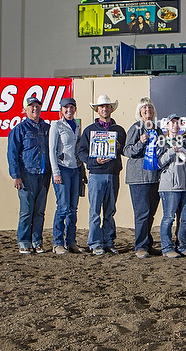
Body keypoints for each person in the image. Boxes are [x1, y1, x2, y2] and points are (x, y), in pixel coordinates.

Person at [77, 95, 126, 256]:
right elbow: (81, 152)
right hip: (96, 174)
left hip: (113, 173)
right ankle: (95, 242)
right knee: (95, 211)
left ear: (111, 109)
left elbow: (125, 150)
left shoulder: (119, 130)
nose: (104, 109)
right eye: (102, 107)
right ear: (97, 110)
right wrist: (94, 161)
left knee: (110, 210)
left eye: (107, 106)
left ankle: (108, 241)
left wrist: (119, 147)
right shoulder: (89, 130)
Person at [7, 96, 51, 254]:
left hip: (44, 174)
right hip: (27, 174)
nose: (35, 109)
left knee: (39, 211)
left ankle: (37, 241)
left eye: (37, 106)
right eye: (31, 106)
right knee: (27, 210)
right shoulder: (19, 129)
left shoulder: (47, 128)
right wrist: (16, 175)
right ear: (25, 109)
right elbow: (12, 154)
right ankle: (24, 241)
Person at [123, 97, 163, 259]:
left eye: (150, 108)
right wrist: (140, 142)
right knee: (142, 213)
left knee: (151, 213)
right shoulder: (135, 128)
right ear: (139, 112)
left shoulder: (157, 129)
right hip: (138, 178)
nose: (148, 110)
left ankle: (147, 243)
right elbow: (127, 151)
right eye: (144, 108)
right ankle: (140, 246)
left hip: (154, 177)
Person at [157, 114, 186, 258]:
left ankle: (182, 246)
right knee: (169, 218)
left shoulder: (185, 142)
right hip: (169, 186)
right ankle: (167, 248)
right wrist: (171, 151)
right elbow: (159, 163)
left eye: (177, 123)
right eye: (172, 123)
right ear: (167, 125)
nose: (175, 125)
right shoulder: (161, 142)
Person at [49, 97, 85, 254]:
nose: (69, 110)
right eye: (66, 107)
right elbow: (52, 150)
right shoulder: (56, 125)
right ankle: (57, 243)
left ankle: (71, 241)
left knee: (73, 208)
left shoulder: (77, 125)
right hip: (62, 169)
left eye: (71, 107)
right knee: (62, 206)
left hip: (75, 169)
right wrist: (56, 172)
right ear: (61, 110)